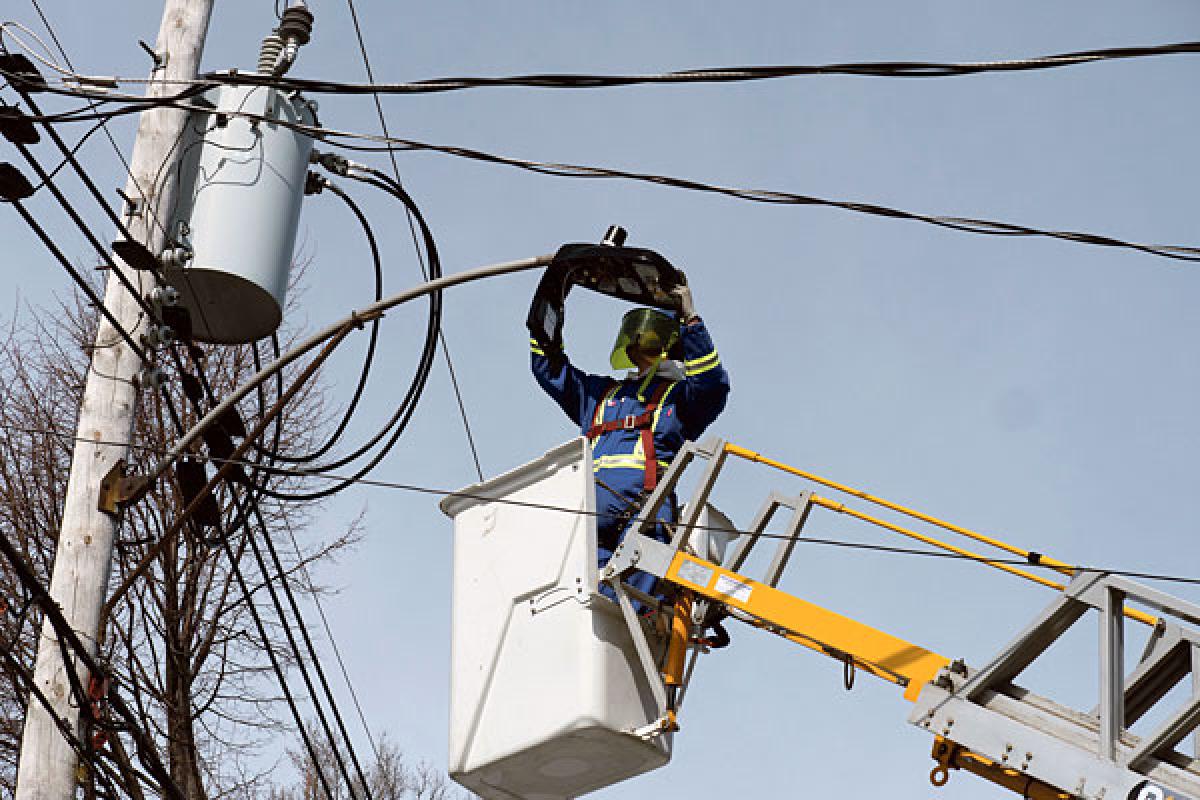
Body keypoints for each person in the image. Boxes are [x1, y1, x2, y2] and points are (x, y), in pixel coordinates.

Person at [530, 280, 730, 605]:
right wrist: (548, 310)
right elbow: (549, 369)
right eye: (636, 335)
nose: (639, 344)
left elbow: (712, 386)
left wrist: (691, 321)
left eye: (649, 337)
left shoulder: (678, 400)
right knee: (587, 605)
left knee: (631, 610)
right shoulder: (600, 396)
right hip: (590, 511)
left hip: (645, 511)